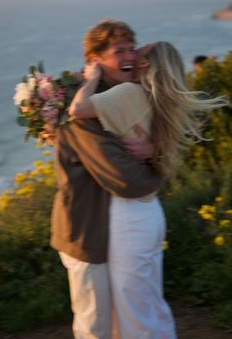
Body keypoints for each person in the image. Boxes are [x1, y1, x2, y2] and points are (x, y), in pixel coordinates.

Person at [69, 41, 228, 339]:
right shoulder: (162, 101)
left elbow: (77, 110)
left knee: (134, 314)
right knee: (150, 305)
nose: (129, 58)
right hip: (148, 213)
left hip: (128, 217)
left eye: (135, 56)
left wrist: (90, 78)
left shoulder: (130, 93)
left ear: (146, 67)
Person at [50, 20, 164, 339]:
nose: (130, 56)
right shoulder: (84, 116)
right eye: (119, 51)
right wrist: (158, 170)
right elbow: (126, 180)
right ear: (95, 61)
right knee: (95, 325)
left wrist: (157, 151)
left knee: (121, 320)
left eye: (132, 48)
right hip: (85, 231)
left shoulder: (119, 99)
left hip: (109, 231)